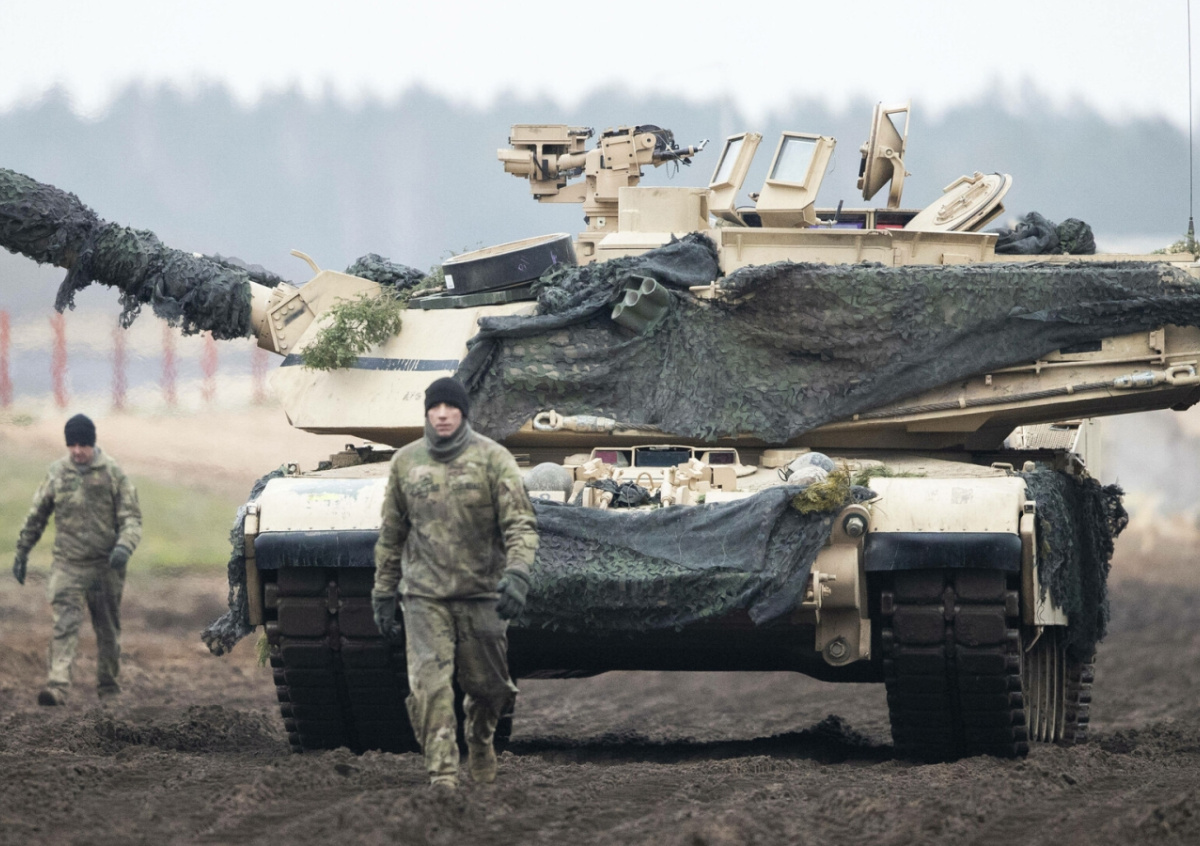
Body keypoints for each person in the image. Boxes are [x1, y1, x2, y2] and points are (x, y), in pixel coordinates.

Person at [372, 377, 538, 789]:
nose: (443, 414)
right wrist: (383, 590)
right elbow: (391, 534)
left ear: (463, 412)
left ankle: (480, 739)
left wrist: (517, 572)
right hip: (424, 595)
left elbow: (519, 523)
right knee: (431, 688)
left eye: (451, 407)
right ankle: (442, 777)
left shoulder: (493, 459)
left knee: (489, 689)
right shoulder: (406, 462)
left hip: (481, 594)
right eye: (435, 407)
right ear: (427, 412)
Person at [11, 414, 142, 706]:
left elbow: (131, 517)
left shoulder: (112, 473)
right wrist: (22, 550)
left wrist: (124, 546)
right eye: (72, 445)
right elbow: (37, 515)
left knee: (107, 629)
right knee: (64, 626)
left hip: (105, 566)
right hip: (68, 565)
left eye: (83, 445)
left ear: (92, 444)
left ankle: (109, 687)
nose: (77, 451)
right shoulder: (57, 473)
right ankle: (57, 687)